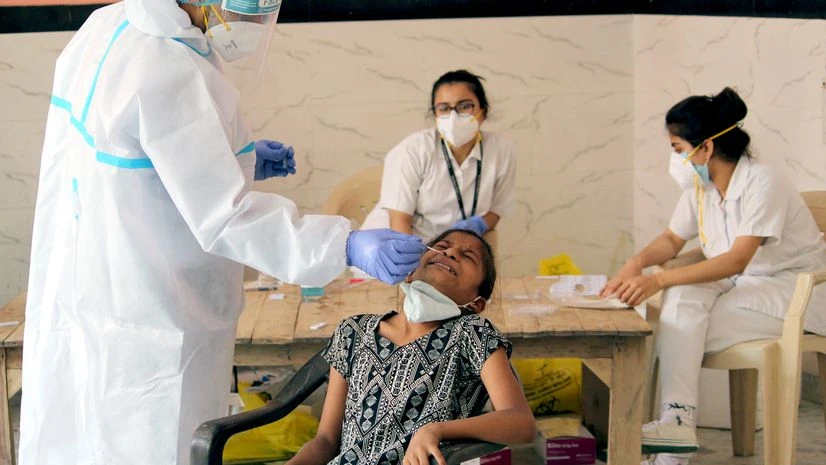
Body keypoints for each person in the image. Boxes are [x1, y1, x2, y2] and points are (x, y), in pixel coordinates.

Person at [19, 1, 425, 465]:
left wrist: (236, 158)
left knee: (80, 436)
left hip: (88, 281)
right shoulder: (168, 68)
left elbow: (144, 162)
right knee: (154, 442)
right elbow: (226, 217)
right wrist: (344, 244)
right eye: (249, 5)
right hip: (152, 317)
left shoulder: (110, 24)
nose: (253, 23)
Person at [601, 87, 826, 465]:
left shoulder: (763, 182)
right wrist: (635, 264)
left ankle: (674, 443)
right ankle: (677, 423)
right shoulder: (702, 186)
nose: (675, 159)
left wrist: (657, 280)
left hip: (793, 291)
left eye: (677, 149)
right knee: (682, 303)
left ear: (704, 148)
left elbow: (736, 259)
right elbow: (674, 238)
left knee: (676, 324)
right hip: (748, 285)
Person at [286, 229, 536, 465]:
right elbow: (327, 440)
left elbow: (521, 423)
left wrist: (436, 430)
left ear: (476, 303)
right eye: (442, 247)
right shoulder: (353, 331)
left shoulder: (473, 334)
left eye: (468, 256)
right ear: (409, 272)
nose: (450, 254)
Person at [361, 70, 517, 239]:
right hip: (396, 243)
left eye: (465, 106)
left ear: (483, 112)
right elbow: (400, 222)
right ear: (435, 115)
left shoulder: (502, 150)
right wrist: (418, 262)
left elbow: (497, 210)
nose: (454, 116)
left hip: (449, 248)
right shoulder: (413, 149)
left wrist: (478, 224)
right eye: (444, 108)